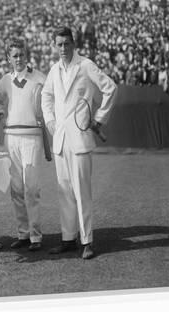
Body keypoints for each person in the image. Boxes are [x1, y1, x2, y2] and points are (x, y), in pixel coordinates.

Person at [41, 27, 117, 260]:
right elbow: (46, 96)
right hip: (61, 141)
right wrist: (51, 121)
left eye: (66, 43)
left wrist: (99, 119)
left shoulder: (86, 65)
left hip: (81, 140)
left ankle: (87, 241)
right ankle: (67, 239)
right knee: (65, 192)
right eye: (59, 44)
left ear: (73, 44)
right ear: (55, 45)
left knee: (82, 192)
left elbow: (111, 88)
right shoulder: (54, 69)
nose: (63, 48)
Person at [0, 39, 46, 251]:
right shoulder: (5, 80)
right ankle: (23, 234)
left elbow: (49, 103)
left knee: (31, 188)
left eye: (21, 55)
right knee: (16, 189)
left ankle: (35, 236)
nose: (18, 59)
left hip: (32, 137)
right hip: (11, 137)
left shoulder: (40, 78)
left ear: (27, 56)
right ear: (8, 58)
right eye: (14, 55)